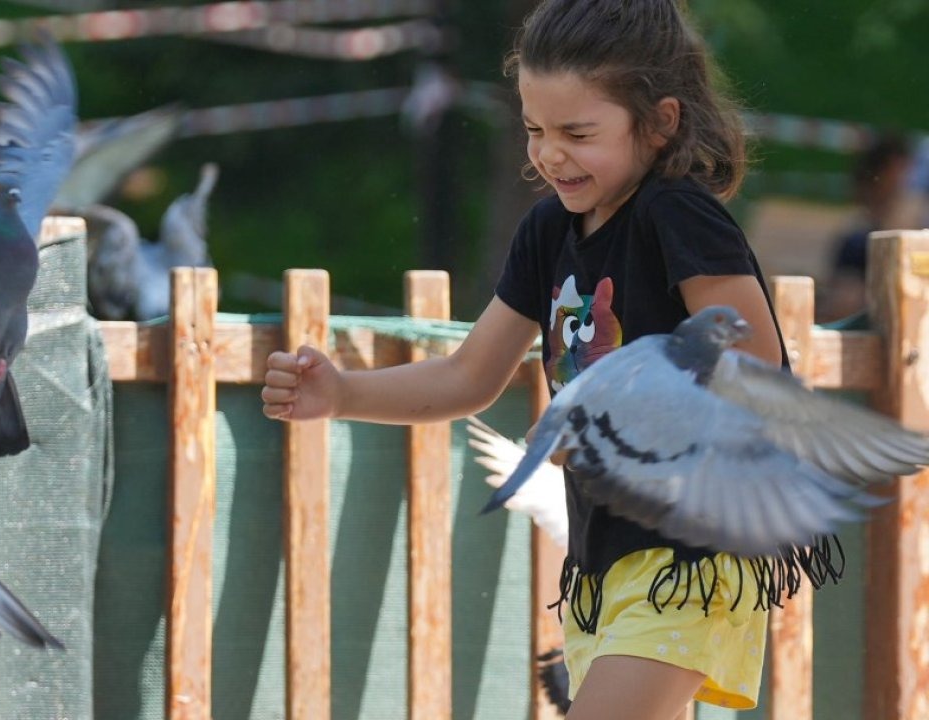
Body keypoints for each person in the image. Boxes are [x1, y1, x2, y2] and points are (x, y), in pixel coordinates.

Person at [259, 2, 834, 718]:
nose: (549, 154)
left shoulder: (677, 215)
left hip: (693, 554)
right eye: (534, 130)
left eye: (578, 133)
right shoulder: (547, 233)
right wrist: (343, 393)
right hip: (602, 567)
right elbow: (466, 377)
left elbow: (753, 360)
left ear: (660, 122)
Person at [822, 132, 913, 321]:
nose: (902, 179)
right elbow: (842, 298)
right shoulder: (857, 236)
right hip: (868, 292)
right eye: (898, 171)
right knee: (847, 297)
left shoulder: (912, 211)